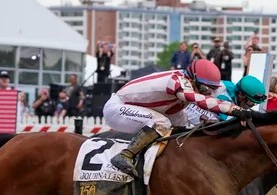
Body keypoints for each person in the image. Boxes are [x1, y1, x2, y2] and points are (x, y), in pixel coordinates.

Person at [104, 59, 251, 176]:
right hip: (117, 108)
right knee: (161, 122)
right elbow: (201, 101)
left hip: (143, 108)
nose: (208, 92)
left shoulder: (189, 80)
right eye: (205, 88)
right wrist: (235, 110)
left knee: (183, 125)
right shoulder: (176, 82)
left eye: (211, 89)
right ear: (193, 79)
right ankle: (125, 156)